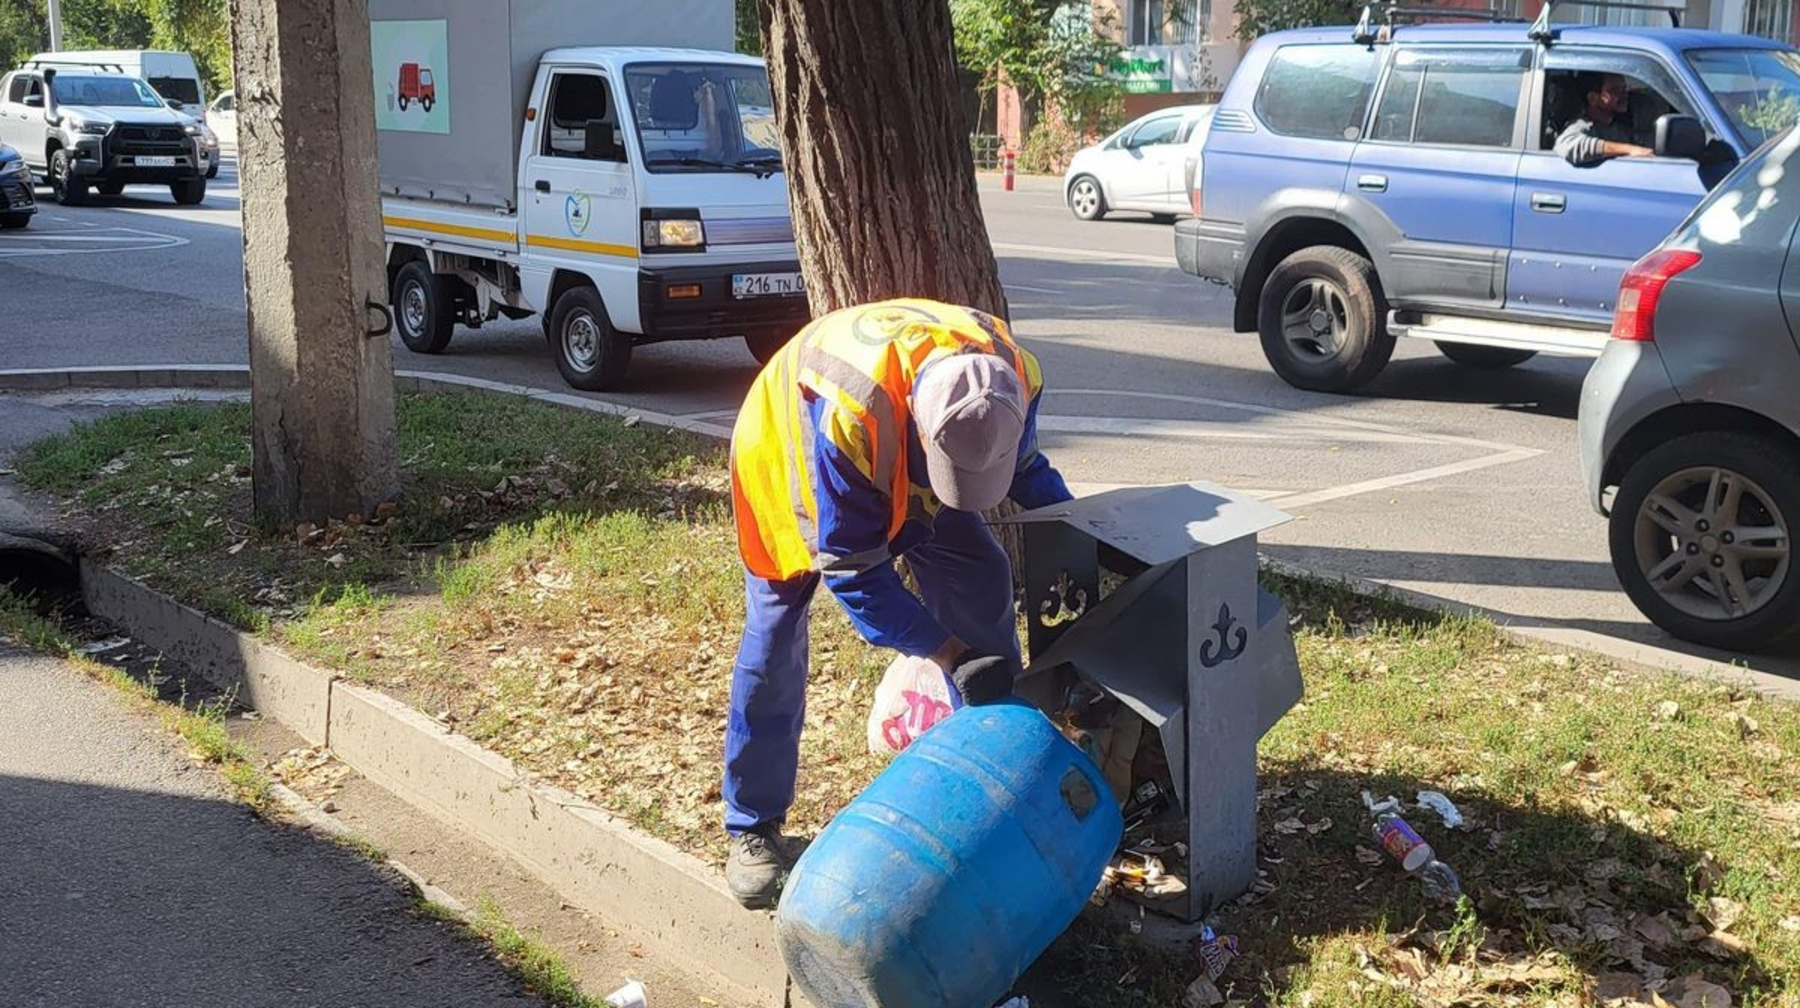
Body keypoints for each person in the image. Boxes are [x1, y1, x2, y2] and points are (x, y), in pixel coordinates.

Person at [722, 298, 1074, 908]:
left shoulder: (1014, 373)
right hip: (788, 448)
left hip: (897, 453)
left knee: (980, 571)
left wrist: (1085, 534)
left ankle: (992, 764)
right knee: (776, 636)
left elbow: (1027, 472)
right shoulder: (850, 417)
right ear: (918, 428)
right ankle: (752, 826)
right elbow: (855, 573)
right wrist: (950, 652)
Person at [1556, 72, 1655, 166]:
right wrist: (1630, 150)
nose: (1625, 94)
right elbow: (1567, 145)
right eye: (1616, 90)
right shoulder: (1583, 126)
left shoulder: (1619, 127)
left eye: (1624, 89)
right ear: (1593, 98)